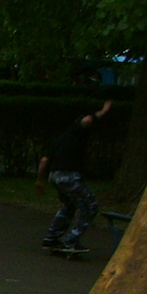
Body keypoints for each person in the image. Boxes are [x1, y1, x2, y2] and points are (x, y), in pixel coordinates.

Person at [36, 99, 113, 252]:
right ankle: (71, 241)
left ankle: (51, 239)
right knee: (90, 206)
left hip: (55, 177)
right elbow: (87, 120)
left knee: (69, 205)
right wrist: (103, 111)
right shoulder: (77, 130)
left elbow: (44, 161)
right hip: (69, 176)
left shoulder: (61, 139)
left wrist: (40, 180)